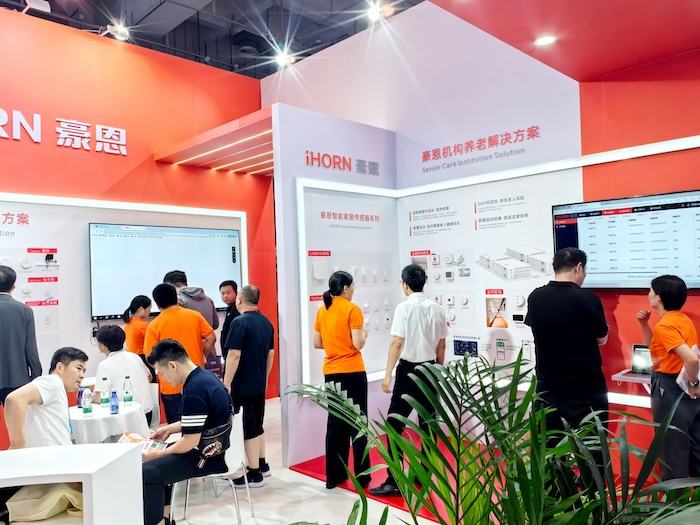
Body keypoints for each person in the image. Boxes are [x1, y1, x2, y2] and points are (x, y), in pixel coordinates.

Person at [370, 264, 448, 497]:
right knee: (428, 424)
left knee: (395, 424)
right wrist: (437, 368)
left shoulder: (403, 308)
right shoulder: (437, 308)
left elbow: (397, 342)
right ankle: (425, 475)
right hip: (430, 369)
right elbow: (442, 344)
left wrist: (387, 373)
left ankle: (394, 480)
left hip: (408, 372)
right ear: (424, 283)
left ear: (405, 284)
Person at [142, 339, 232, 525]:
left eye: (162, 373)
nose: (164, 378)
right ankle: (166, 518)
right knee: (157, 462)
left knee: (147, 472)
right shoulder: (204, 376)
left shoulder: (194, 390)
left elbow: (190, 441)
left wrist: (160, 453)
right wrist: (169, 428)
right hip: (215, 447)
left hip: (207, 457)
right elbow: (200, 419)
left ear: (172, 365)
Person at [525, 247, 609, 441]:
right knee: (591, 447)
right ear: (579, 267)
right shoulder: (588, 299)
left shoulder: (535, 297)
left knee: (550, 447)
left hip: (548, 386)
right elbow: (602, 339)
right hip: (585, 387)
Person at [637, 275, 700, 479]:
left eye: (651, 290)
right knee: (695, 452)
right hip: (685, 388)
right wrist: (644, 325)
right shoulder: (682, 320)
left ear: (659, 297)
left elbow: (691, 358)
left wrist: (695, 383)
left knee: (671, 454)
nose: (649, 294)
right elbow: (657, 350)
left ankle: (675, 499)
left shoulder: (665, 326)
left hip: (670, 388)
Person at [313, 270, 370, 489]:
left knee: (335, 423)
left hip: (331, 372)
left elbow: (317, 343)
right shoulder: (352, 309)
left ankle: (334, 476)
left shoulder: (322, 309)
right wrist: (364, 335)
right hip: (353, 371)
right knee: (358, 424)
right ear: (345, 288)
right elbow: (358, 343)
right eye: (353, 285)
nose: (354, 289)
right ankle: (362, 476)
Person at [223, 285, 275, 487]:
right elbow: (270, 354)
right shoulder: (266, 322)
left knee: (248, 427)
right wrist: (265, 378)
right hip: (259, 383)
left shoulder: (239, 322)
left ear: (239, 300)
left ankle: (254, 474)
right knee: (258, 425)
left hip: (242, 384)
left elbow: (234, 355)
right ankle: (262, 464)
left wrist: (226, 383)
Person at [144, 283, 216, 424]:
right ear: (176, 299)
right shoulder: (194, 316)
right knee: (201, 424)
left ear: (157, 305)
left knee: (176, 427)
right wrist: (202, 354)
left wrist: (164, 369)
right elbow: (211, 338)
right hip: (196, 378)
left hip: (171, 385)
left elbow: (149, 357)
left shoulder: (154, 325)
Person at [4, 347, 88, 448]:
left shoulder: (57, 387)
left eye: (84, 371)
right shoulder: (53, 382)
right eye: (78, 368)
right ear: (60, 367)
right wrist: (18, 446)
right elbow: (14, 399)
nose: (82, 375)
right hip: (52, 455)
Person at [94, 325, 154, 424]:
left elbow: (100, 399)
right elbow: (149, 378)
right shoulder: (135, 356)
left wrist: (91, 398)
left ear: (103, 346)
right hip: (147, 414)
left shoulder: (104, 365)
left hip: (126, 417)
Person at [0, 265, 42, 404]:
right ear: (14, 285)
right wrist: (36, 376)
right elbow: (31, 349)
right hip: (18, 381)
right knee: (16, 418)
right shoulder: (25, 311)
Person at [123, 295, 156, 381]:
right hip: (143, 360)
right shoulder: (143, 326)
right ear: (141, 309)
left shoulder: (128, 324)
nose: (150, 311)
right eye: (149, 308)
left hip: (131, 360)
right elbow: (154, 344)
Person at [219, 280, 240, 355]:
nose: (225, 296)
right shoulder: (229, 309)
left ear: (236, 292)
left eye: (228, 293)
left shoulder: (238, 309)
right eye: (223, 293)